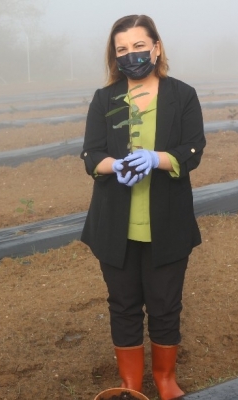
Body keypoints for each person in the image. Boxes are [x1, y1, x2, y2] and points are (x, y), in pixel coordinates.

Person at [80, 14, 206, 400]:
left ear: (156, 47)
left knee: (165, 305)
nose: (131, 55)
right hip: (115, 223)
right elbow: (91, 156)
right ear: (114, 56)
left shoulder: (181, 95)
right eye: (122, 49)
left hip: (167, 222)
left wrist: (157, 159)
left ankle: (165, 379)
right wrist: (114, 165)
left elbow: (193, 150)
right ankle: (131, 384)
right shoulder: (107, 99)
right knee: (123, 304)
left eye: (138, 46)